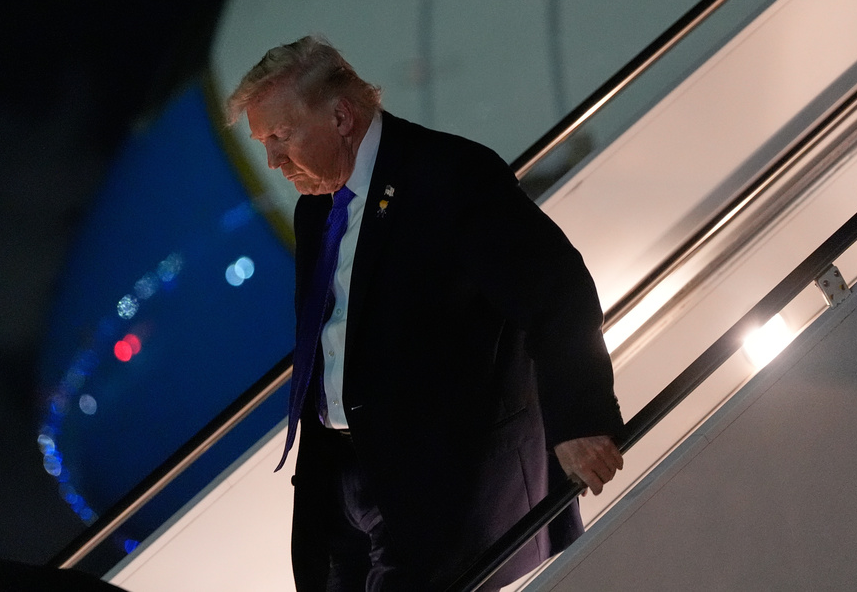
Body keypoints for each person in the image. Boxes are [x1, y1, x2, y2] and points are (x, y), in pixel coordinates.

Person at [227, 36, 623, 591]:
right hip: (342, 484)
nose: (271, 160)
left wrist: (580, 420)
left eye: (280, 136)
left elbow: (555, 290)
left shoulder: (447, 174)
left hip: (440, 480)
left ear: (341, 116)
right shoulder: (316, 208)